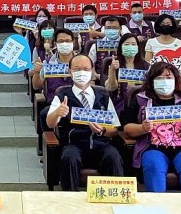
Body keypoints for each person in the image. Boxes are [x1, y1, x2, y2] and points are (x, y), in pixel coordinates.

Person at [122, 62, 181, 193]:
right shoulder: (141, 100)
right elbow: (127, 128)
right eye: (159, 78)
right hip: (153, 148)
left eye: (168, 77)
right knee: (153, 166)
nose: (165, 81)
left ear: (176, 80)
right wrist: (142, 128)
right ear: (152, 81)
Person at [46, 54, 124, 191]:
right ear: (70, 71)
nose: (82, 73)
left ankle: (113, 198)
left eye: (86, 69)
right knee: (69, 158)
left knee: (114, 157)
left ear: (92, 71)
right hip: (74, 144)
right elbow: (50, 123)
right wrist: (58, 112)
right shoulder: (62, 96)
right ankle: (70, 198)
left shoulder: (103, 96)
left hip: (101, 143)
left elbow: (114, 128)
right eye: (77, 69)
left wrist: (102, 130)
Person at [104, 33, 150, 114]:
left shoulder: (146, 66)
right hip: (119, 104)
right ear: (121, 47)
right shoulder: (115, 64)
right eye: (127, 44)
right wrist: (112, 70)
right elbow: (111, 87)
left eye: (133, 44)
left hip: (140, 103)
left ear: (138, 47)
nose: (130, 47)